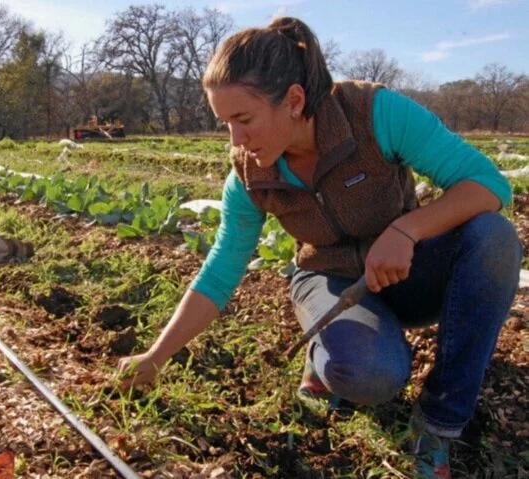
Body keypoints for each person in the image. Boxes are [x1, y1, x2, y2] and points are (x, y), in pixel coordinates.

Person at [117, 17, 522, 479]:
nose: (236, 141)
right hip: (329, 277)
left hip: (405, 269)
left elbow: (489, 185)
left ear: (293, 100)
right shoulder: (249, 178)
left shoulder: (375, 114)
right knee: (370, 376)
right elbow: (220, 271)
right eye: (225, 124)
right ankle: (328, 357)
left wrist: (408, 229)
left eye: (244, 120)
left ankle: (439, 423)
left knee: (494, 238)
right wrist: (154, 357)